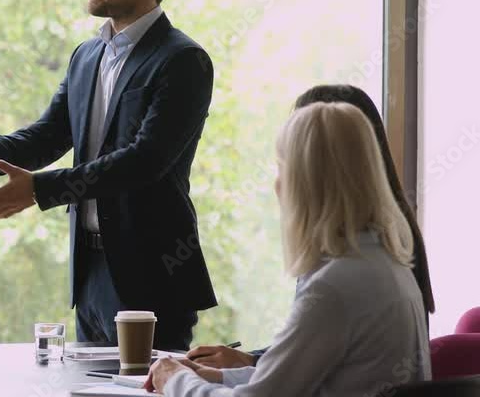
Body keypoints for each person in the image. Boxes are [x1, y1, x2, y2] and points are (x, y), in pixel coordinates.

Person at [0, 0, 217, 350]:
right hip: (90, 275)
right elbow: (46, 137)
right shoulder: (87, 55)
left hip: (153, 276)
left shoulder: (182, 61)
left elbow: (145, 161)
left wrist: (40, 190)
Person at [147, 102, 431, 396]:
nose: (277, 184)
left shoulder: (334, 287)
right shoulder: (386, 264)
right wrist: (217, 377)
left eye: (282, 168)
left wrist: (175, 380)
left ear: (304, 182)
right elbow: (293, 381)